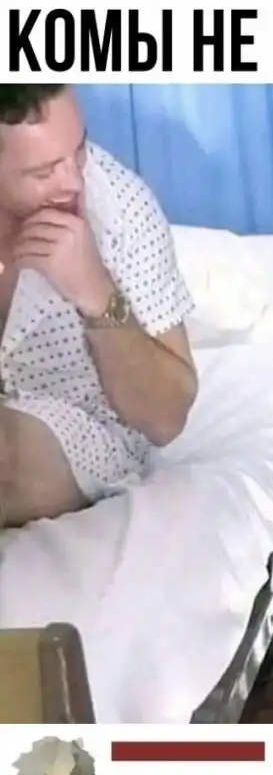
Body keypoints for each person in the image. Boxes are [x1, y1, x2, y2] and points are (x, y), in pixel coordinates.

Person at [0, 84, 197, 527]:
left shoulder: (122, 209)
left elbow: (166, 418)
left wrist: (96, 292)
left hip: (86, 427)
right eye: (43, 172)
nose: (74, 182)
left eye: (79, 149)